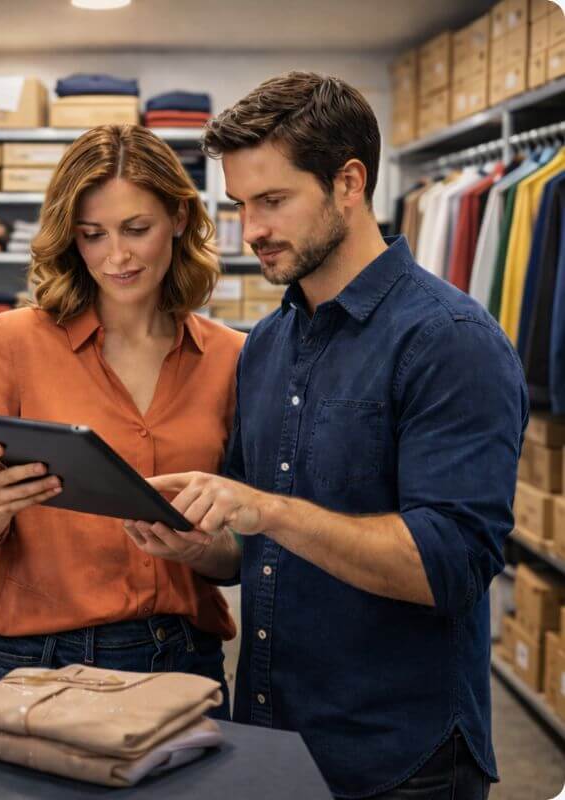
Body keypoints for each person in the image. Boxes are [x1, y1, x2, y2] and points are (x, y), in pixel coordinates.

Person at [124, 72, 527, 799]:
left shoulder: (452, 341)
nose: (252, 231)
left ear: (348, 183)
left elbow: (452, 564)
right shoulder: (267, 345)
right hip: (273, 734)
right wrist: (198, 544)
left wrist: (264, 510)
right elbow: (249, 552)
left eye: (273, 200)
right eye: (242, 205)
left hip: (401, 757)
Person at [0, 124, 245, 715]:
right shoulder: (13, 340)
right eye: (92, 235)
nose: (116, 256)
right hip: (30, 657)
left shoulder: (231, 357)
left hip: (179, 656)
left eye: (136, 229)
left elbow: (241, 553)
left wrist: (197, 549)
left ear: (179, 219)